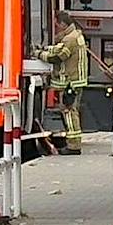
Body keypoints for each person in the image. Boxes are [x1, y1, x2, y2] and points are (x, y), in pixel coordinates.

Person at [38, 14, 90, 152]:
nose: (56, 28)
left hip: (70, 82)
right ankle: (72, 143)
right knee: (71, 111)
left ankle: (73, 146)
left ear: (62, 24)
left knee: (69, 112)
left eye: (57, 25)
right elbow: (59, 48)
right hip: (76, 81)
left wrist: (39, 54)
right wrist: (45, 49)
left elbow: (58, 57)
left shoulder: (70, 39)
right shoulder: (75, 35)